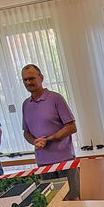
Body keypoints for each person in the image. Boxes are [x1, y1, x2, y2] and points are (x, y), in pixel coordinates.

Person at [20, 64, 79, 200]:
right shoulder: (26, 104)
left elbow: (71, 127)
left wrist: (49, 139)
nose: (28, 82)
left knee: (72, 200)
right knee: (51, 202)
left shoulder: (56, 98)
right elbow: (26, 133)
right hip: (43, 164)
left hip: (64, 161)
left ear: (41, 78)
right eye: (25, 80)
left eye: (31, 78)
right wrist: (35, 141)